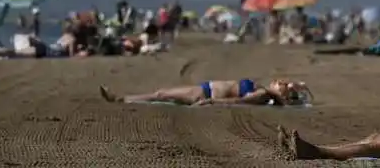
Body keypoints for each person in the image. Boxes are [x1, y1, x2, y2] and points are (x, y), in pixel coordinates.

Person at [98, 78, 314, 106]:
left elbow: (238, 101)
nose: (278, 81)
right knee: (161, 93)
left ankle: (120, 99)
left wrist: (210, 103)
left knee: (161, 94)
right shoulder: (264, 90)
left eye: (282, 84)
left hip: (206, 94)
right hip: (206, 88)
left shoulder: (263, 95)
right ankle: (121, 98)